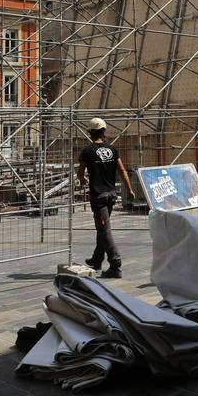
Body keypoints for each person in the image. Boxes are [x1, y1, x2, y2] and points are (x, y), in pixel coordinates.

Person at [76, 117, 134, 278]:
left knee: (104, 230)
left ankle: (115, 264)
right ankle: (97, 259)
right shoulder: (113, 149)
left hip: (99, 197)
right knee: (102, 228)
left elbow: (80, 172)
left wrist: (82, 180)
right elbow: (122, 171)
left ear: (91, 133)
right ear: (104, 131)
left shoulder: (88, 151)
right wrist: (129, 189)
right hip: (111, 195)